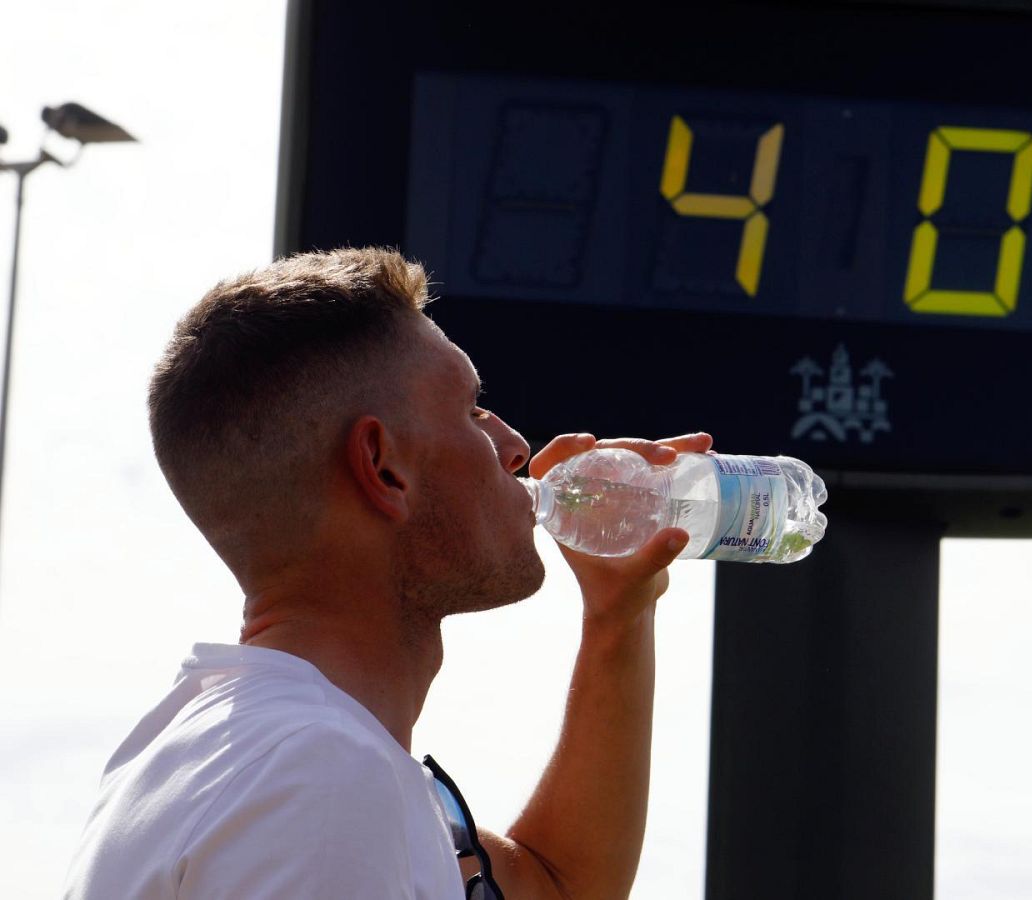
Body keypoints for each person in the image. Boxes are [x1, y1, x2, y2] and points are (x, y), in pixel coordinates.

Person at [63, 247, 709, 898]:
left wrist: (619, 616)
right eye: (473, 411)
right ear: (383, 466)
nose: (516, 445)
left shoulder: (212, 753)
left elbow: (559, 884)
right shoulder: (322, 776)